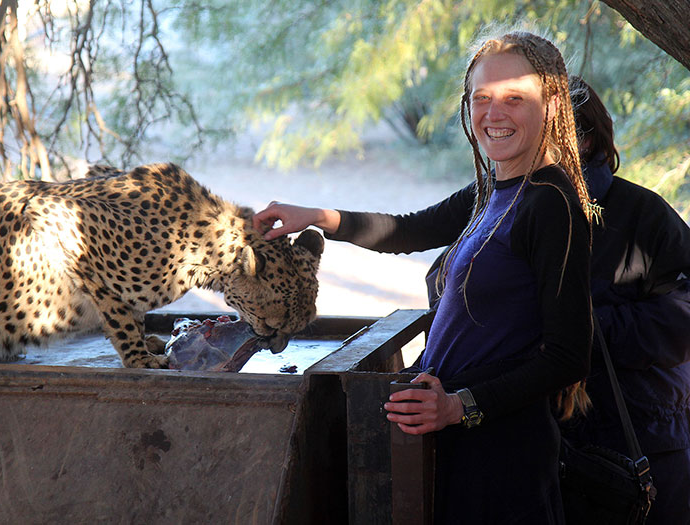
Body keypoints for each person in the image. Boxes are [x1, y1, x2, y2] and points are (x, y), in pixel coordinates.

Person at [254, 31, 593, 523]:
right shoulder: (490, 188)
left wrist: (460, 406)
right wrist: (316, 215)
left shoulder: (552, 203)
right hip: (455, 438)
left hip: (503, 458)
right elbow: (406, 230)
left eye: (514, 99)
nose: (493, 115)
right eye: (482, 98)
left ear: (554, 102)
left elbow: (567, 356)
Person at [559, 76, 690, 524]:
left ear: (588, 137)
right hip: (549, 441)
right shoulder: (504, 207)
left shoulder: (645, 215)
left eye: (551, 131)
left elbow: (683, 321)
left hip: (644, 440)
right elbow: (446, 279)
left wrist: (583, 327)